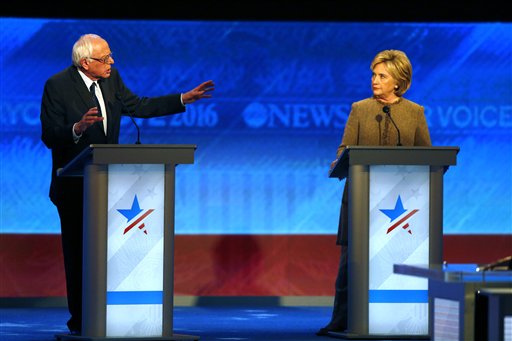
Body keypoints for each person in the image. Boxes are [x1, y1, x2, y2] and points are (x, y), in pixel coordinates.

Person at [40, 33, 215, 335]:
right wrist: (77, 128)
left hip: (111, 185)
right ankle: (81, 321)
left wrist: (182, 99)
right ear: (85, 62)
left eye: (111, 55)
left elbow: (139, 106)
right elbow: (49, 135)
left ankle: (113, 317)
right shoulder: (57, 86)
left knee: (111, 254)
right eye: (105, 58)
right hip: (73, 186)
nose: (112, 62)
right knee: (79, 255)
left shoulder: (112, 79)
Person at [316, 49, 431, 336]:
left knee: (396, 260)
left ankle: (401, 319)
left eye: (382, 76)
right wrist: (339, 158)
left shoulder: (415, 112)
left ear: (398, 81)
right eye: (373, 75)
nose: (375, 81)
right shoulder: (360, 109)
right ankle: (341, 320)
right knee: (350, 262)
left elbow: (429, 157)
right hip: (360, 198)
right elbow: (345, 149)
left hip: (400, 207)